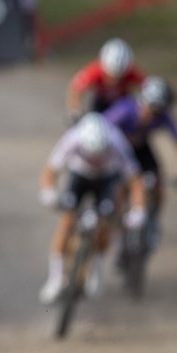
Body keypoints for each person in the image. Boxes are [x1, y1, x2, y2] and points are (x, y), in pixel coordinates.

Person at [37, 112, 146, 305]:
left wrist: (139, 210)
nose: (95, 158)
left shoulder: (117, 142)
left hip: (106, 179)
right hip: (79, 176)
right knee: (66, 222)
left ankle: (96, 264)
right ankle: (55, 278)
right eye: (91, 154)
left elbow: (134, 179)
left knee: (106, 221)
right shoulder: (72, 139)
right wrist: (48, 192)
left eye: (100, 154)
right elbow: (51, 169)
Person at [102, 76, 177, 254]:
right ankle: (115, 229)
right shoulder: (125, 110)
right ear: (143, 102)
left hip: (141, 149)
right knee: (119, 190)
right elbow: (102, 129)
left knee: (158, 183)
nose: (153, 115)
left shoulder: (163, 116)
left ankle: (153, 222)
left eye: (158, 111)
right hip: (118, 150)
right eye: (151, 109)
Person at [65, 37, 145, 120]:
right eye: (111, 76)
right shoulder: (95, 70)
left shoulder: (132, 72)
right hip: (100, 104)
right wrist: (75, 109)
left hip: (122, 104)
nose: (114, 80)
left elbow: (147, 87)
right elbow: (76, 88)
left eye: (119, 76)